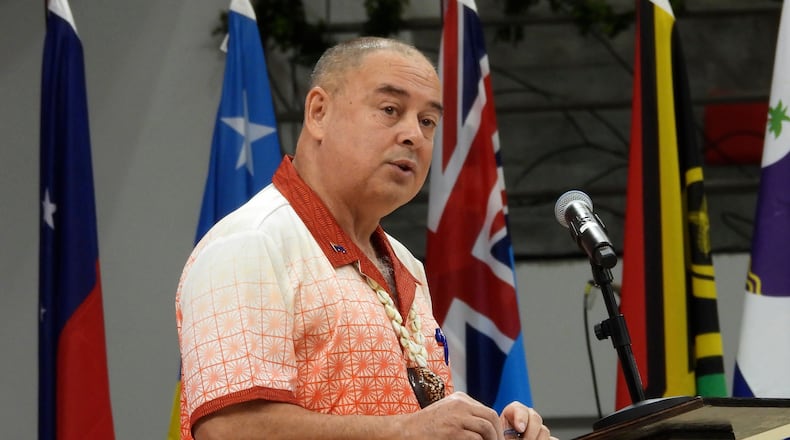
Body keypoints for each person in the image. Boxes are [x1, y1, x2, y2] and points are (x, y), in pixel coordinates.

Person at [176, 36, 555, 440]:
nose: (414, 135)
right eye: (390, 110)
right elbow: (230, 430)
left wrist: (490, 432)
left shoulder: (406, 264)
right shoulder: (251, 243)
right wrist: (408, 430)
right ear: (319, 112)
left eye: (428, 121)